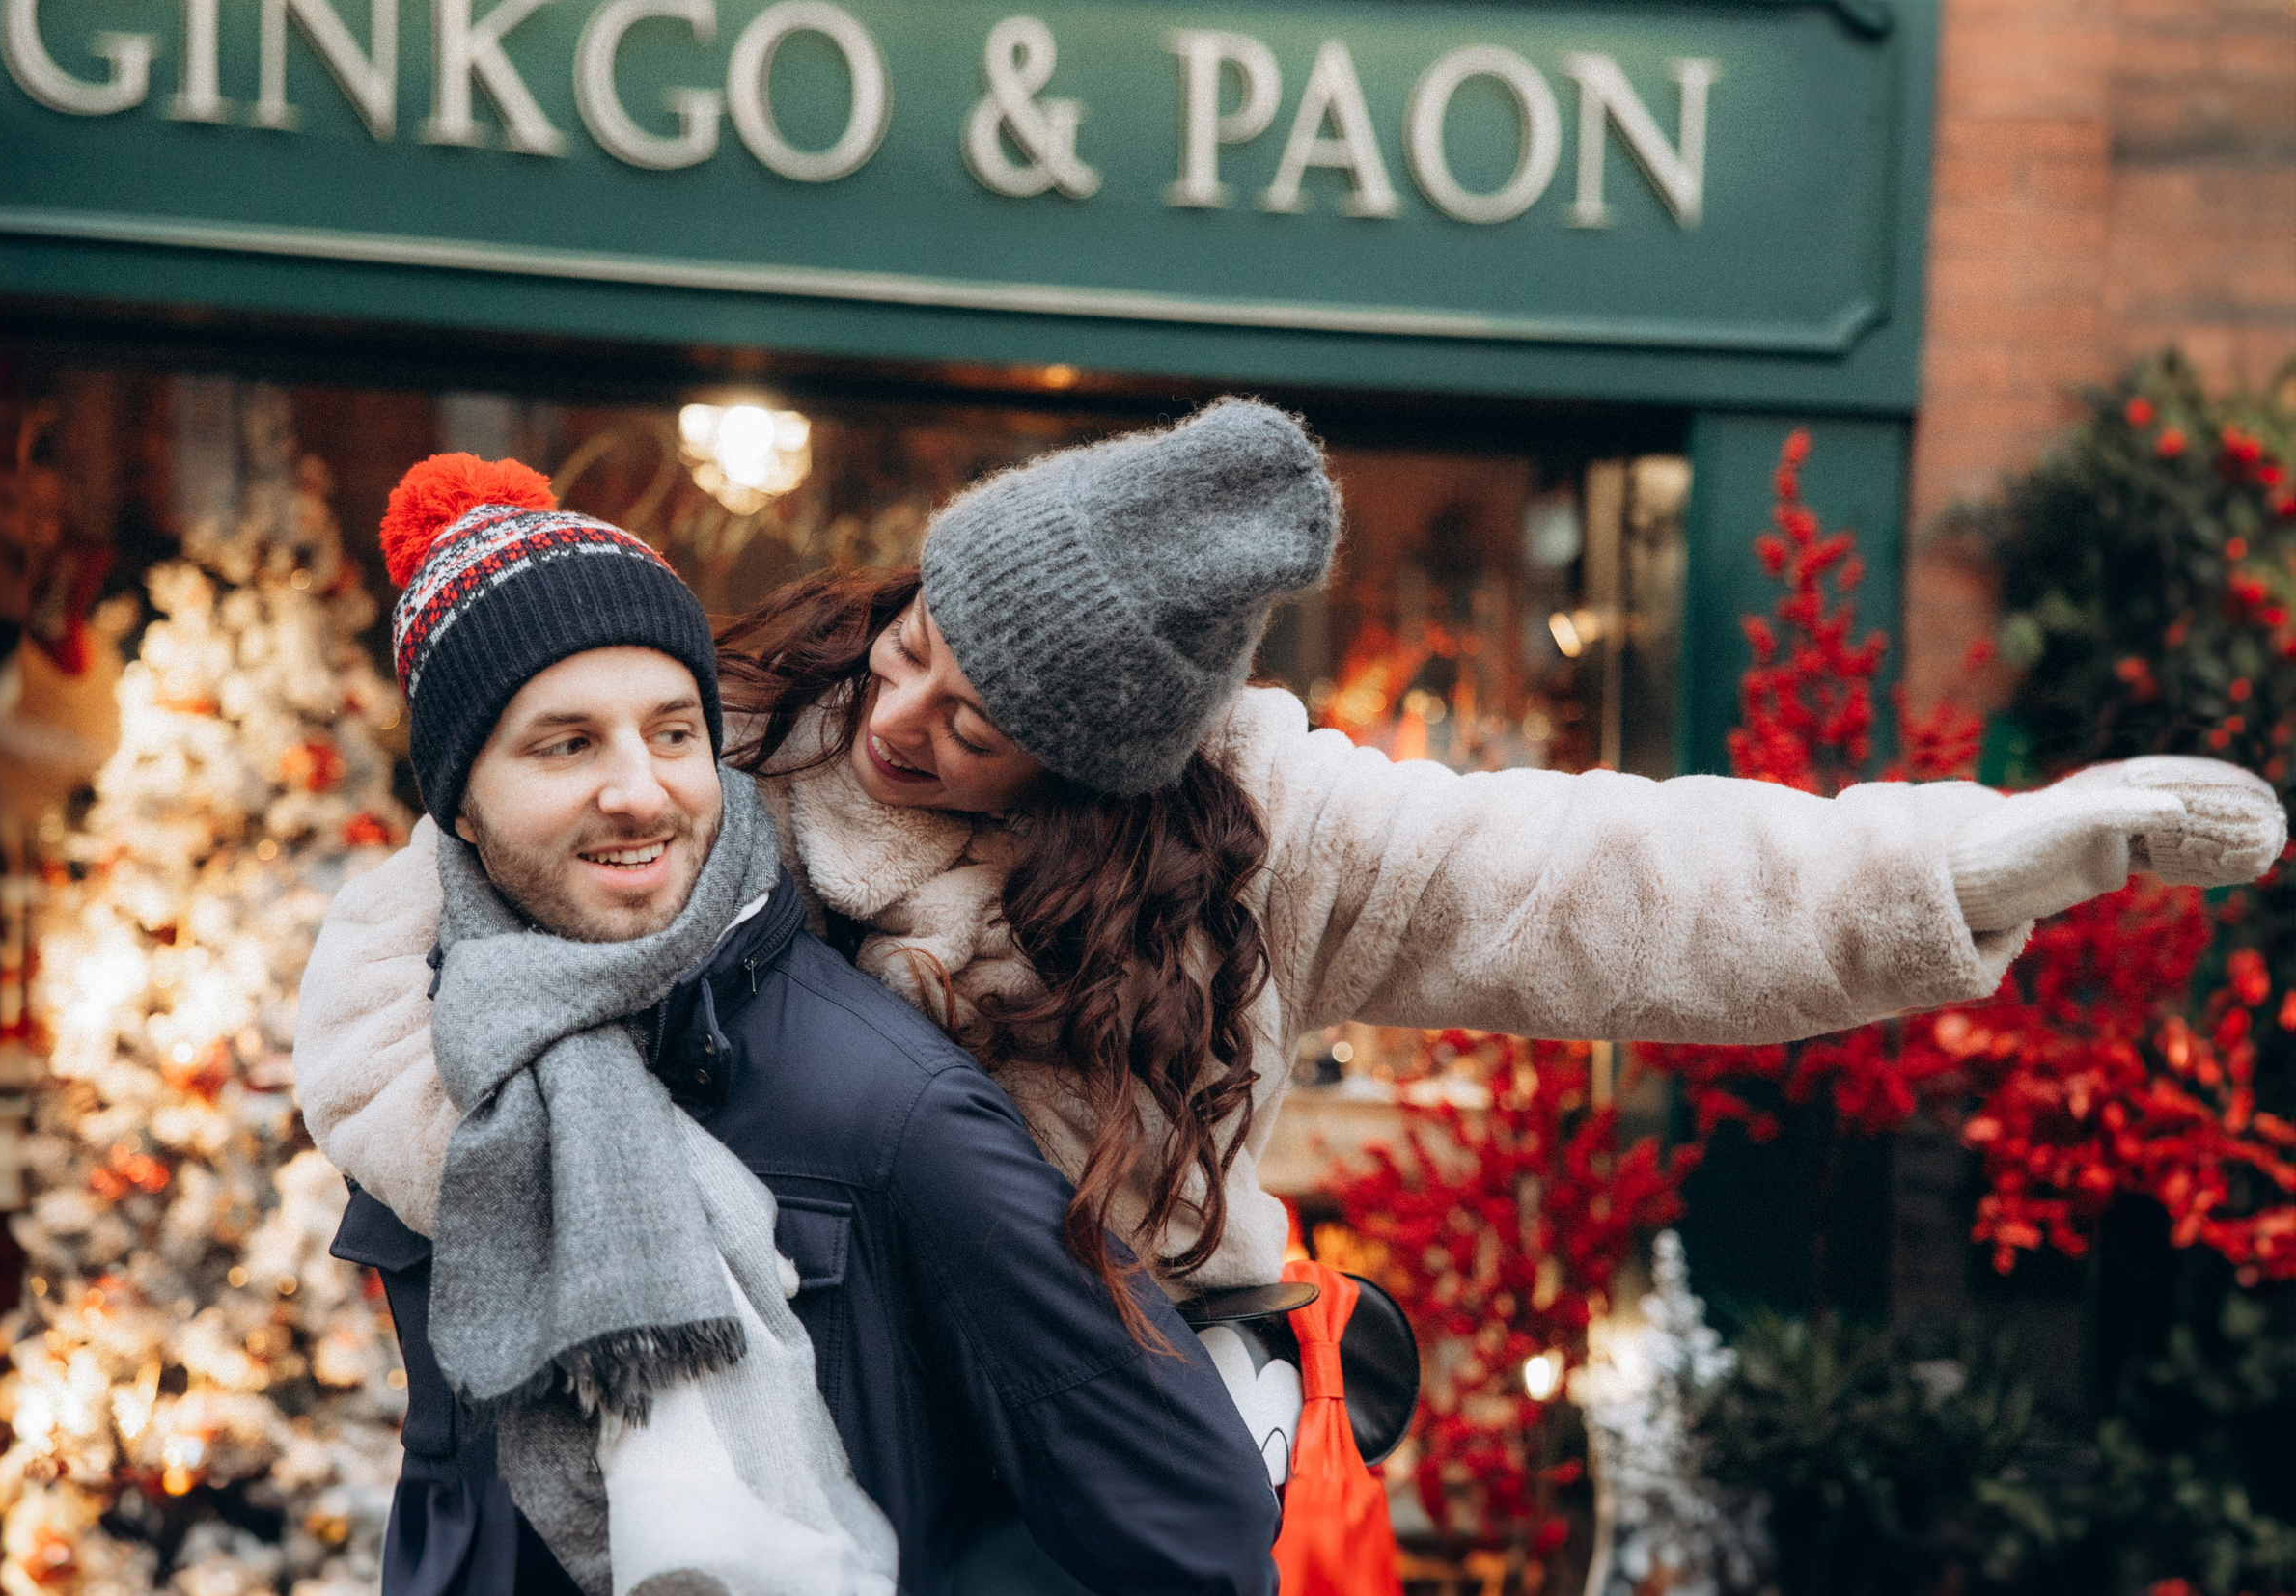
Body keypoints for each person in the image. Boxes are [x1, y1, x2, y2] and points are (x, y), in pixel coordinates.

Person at [303, 399, 2287, 1496]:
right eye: (915, 643)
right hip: (770, 1436)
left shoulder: (1263, 839)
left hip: (1076, 1462)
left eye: (976, 719)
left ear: (1097, 759)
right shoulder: (736, 735)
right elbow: (422, 917)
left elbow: (1627, 877)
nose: (901, 716)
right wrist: (485, 1190)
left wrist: (1986, 858)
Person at [304, 455, 1280, 1596]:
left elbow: (1196, 1527)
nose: (640, 790)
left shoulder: (890, 1106)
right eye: (567, 744)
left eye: (674, 734)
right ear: (458, 799)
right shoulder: (454, 1049)